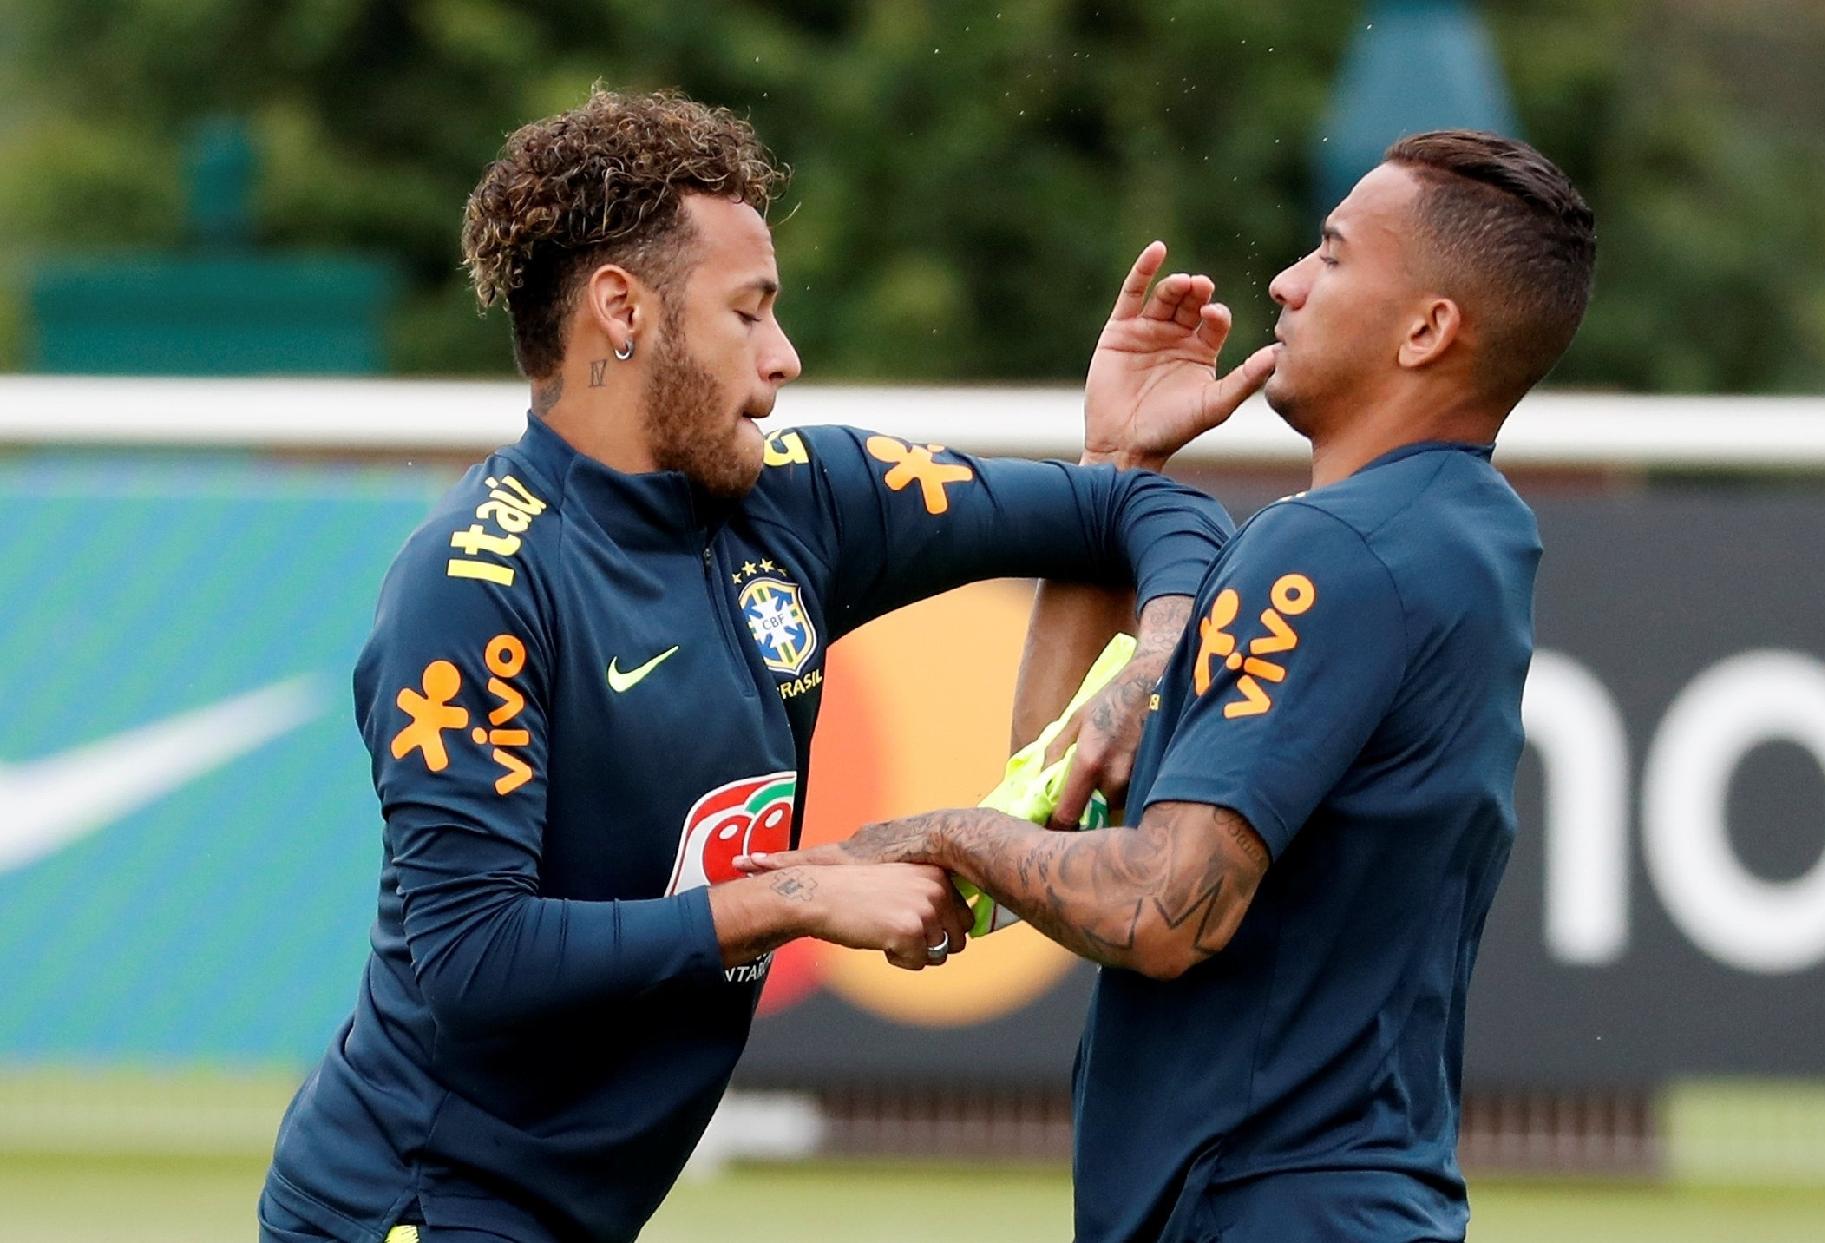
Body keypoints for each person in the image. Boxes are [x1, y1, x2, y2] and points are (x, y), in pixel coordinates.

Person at [257, 89, 1270, 1243]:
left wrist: (1155, 651)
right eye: (750, 312)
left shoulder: (802, 498)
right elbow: (473, 958)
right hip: (412, 1209)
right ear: (621, 309)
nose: (785, 357)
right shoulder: (475, 582)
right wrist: (803, 890)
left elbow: (1146, 512)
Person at [749, 130, 1597, 1242]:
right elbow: (1064, 790)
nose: (1286, 283)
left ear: (1429, 329)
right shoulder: (1467, 533)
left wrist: (924, 837)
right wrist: (1115, 477)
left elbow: (1158, 906)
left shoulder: (1336, 551)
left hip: (1265, 1206)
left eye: (1335, 258)